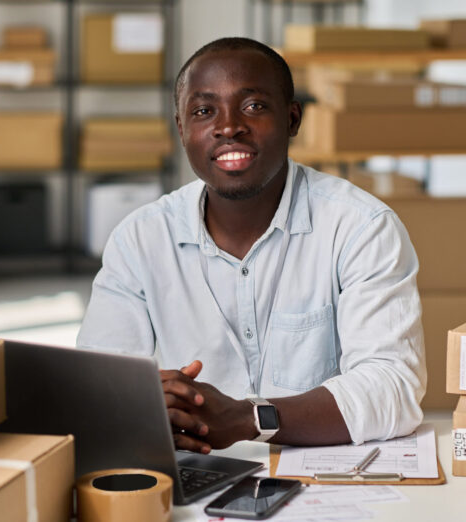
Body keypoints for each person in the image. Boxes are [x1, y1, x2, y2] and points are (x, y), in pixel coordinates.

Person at [77, 37, 426, 455]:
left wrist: (248, 418)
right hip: (196, 472)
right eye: (204, 111)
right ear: (182, 128)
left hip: (327, 475)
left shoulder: (360, 227)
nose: (228, 127)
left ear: (293, 118)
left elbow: (393, 387)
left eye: (253, 106)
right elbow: (97, 387)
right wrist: (151, 400)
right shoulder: (139, 239)